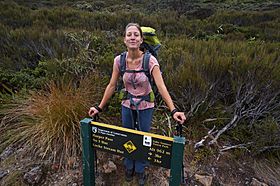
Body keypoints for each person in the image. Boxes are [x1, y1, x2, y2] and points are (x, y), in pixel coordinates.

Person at [88, 23, 186, 185]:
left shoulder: (150, 60)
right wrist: (99, 107)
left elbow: (161, 87)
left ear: (141, 39)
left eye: (136, 35)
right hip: (127, 103)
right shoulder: (119, 61)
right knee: (127, 135)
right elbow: (112, 85)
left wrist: (173, 110)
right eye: (129, 35)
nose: (132, 37)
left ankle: (140, 169)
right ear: (124, 39)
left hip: (146, 105)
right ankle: (128, 165)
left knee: (143, 136)